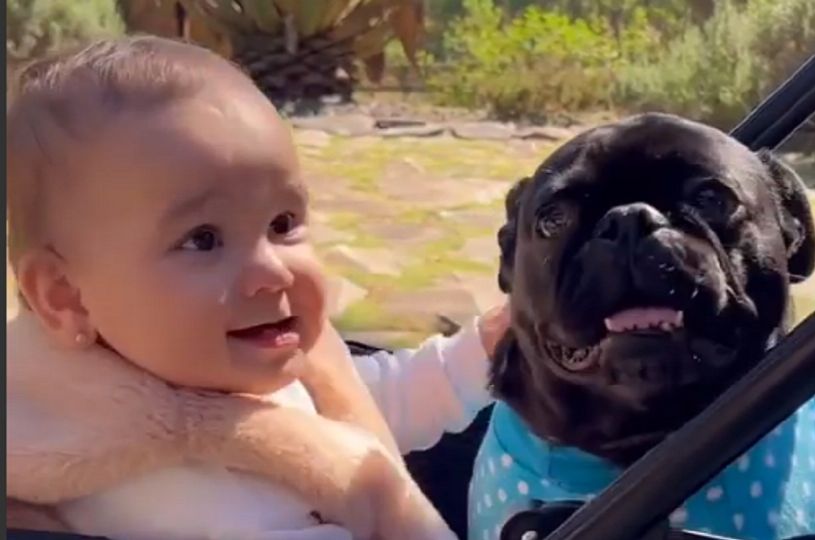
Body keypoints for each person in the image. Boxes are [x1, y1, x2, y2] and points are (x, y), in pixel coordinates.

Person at [6, 35, 507, 540]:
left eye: (283, 222)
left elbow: (383, 405)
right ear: (65, 297)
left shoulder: (291, 368)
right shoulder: (88, 450)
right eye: (203, 239)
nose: (274, 272)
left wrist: (480, 349)